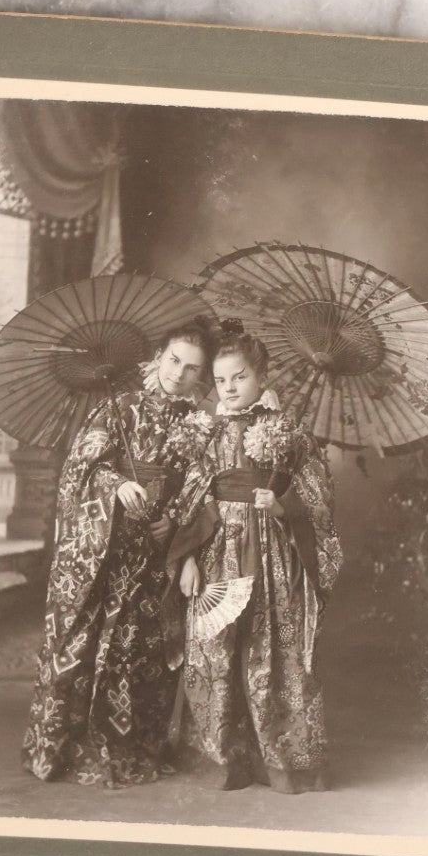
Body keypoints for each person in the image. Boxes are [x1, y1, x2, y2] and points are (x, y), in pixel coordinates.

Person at [22, 319, 216, 788]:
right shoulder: (119, 408)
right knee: (86, 642)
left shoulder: (199, 425)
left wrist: (173, 520)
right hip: (104, 551)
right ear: (157, 357)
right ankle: (66, 746)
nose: (178, 374)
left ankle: (132, 745)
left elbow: (200, 486)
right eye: (173, 360)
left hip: (153, 551)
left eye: (192, 369)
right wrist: (116, 483)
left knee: (139, 648)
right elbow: (78, 471)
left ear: (202, 377)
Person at [168, 322, 343, 793]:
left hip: (270, 551)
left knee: (272, 647)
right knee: (216, 648)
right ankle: (222, 758)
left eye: (240, 377)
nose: (229, 388)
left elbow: (319, 493)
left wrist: (283, 505)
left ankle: (284, 760)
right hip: (217, 547)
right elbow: (191, 497)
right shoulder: (206, 433)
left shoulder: (286, 431)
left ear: (261, 376)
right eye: (221, 381)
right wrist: (187, 559)